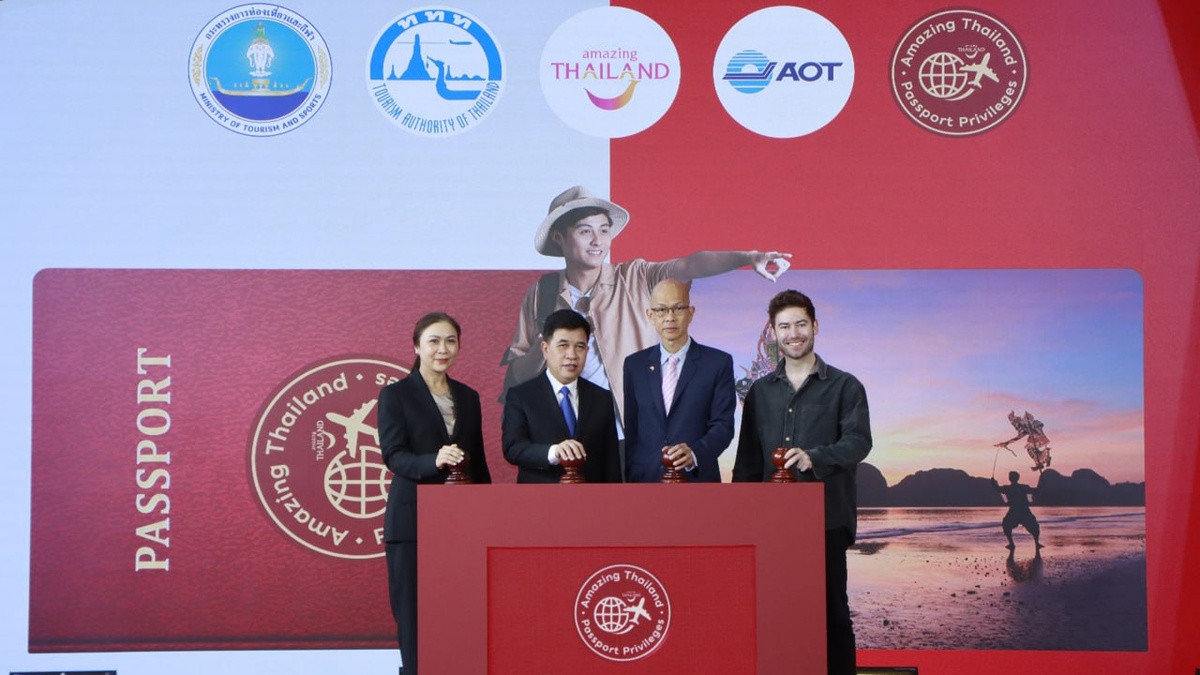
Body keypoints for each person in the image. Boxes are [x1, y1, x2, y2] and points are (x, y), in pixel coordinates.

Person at [499, 185, 792, 423]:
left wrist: (748, 257)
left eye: (604, 230)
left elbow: (690, 264)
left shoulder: (636, 276)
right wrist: (549, 341)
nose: (597, 241)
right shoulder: (542, 293)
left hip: (633, 433)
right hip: (568, 437)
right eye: (585, 231)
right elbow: (518, 375)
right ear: (558, 237)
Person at [732, 289, 872, 675]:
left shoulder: (845, 386)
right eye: (784, 327)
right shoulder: (760, 393)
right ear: (774, 333)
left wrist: (816, 456)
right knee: (772, 613)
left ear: (815, 326)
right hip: (769, 525)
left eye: (800, 324)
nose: (793, 333)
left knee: (832, 614)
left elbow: (859, 442)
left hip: (826, 520)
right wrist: (741, 521)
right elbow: (747, 462)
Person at [377, 312, 492, 675]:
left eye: (451, 341)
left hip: (461, 525)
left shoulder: (469, 397)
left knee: (461, 610)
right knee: (414, 616)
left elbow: (478, 462)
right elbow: (394, 456)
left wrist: (488, 516)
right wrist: (435, 460)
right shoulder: (395, 395)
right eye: (434, 341)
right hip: (412, 522)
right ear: (417, 346)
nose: (443, 349)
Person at [622, 278, 735, 482]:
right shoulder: (634, 365)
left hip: (697, 480)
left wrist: (694, 454)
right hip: (646, 481)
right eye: (661, 310)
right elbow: (632, 430)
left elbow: (723, 426)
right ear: (650, 315)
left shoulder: (718, 363)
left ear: (691, 313)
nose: (670, 317)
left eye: (678, 308)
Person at [502, 308, 621, 483]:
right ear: (545, 349)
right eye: (563, 346)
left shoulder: (601, 398)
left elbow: (611, 462)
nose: (572, 355)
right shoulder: (521, 396)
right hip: (540, 495)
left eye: (580, 347)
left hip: (591, 496)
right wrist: (553, 452)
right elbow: (513, 448)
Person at [993, 470, 1043, 549]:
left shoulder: (1008, 488)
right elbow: (1035, 491)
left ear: (1011, 478)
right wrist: (1041, 483)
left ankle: (1012, 544)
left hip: (1016, 511)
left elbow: (997, 489)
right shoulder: (1022, 487)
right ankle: (1036, 543)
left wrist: (994, 483)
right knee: (1034, 526)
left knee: (1006, 525)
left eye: (1011, 476)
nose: (1010, 477)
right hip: (1023, 511)